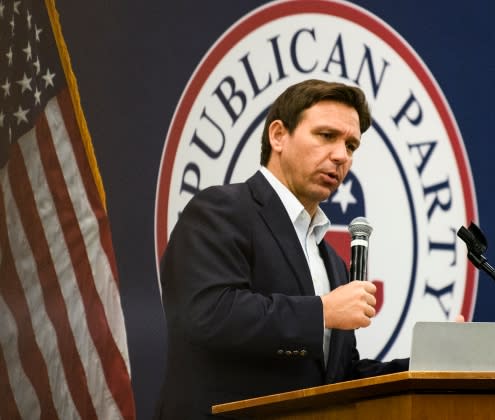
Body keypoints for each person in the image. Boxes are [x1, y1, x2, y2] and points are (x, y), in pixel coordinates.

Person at [154, 79, 408, 419]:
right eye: (326, 136)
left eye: (351, 145)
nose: (341, 156)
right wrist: (322, 312)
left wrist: (426, 367)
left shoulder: (331, 260)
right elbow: (207, 315)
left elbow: (338, 376)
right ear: (278, 136)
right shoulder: (220, 210)